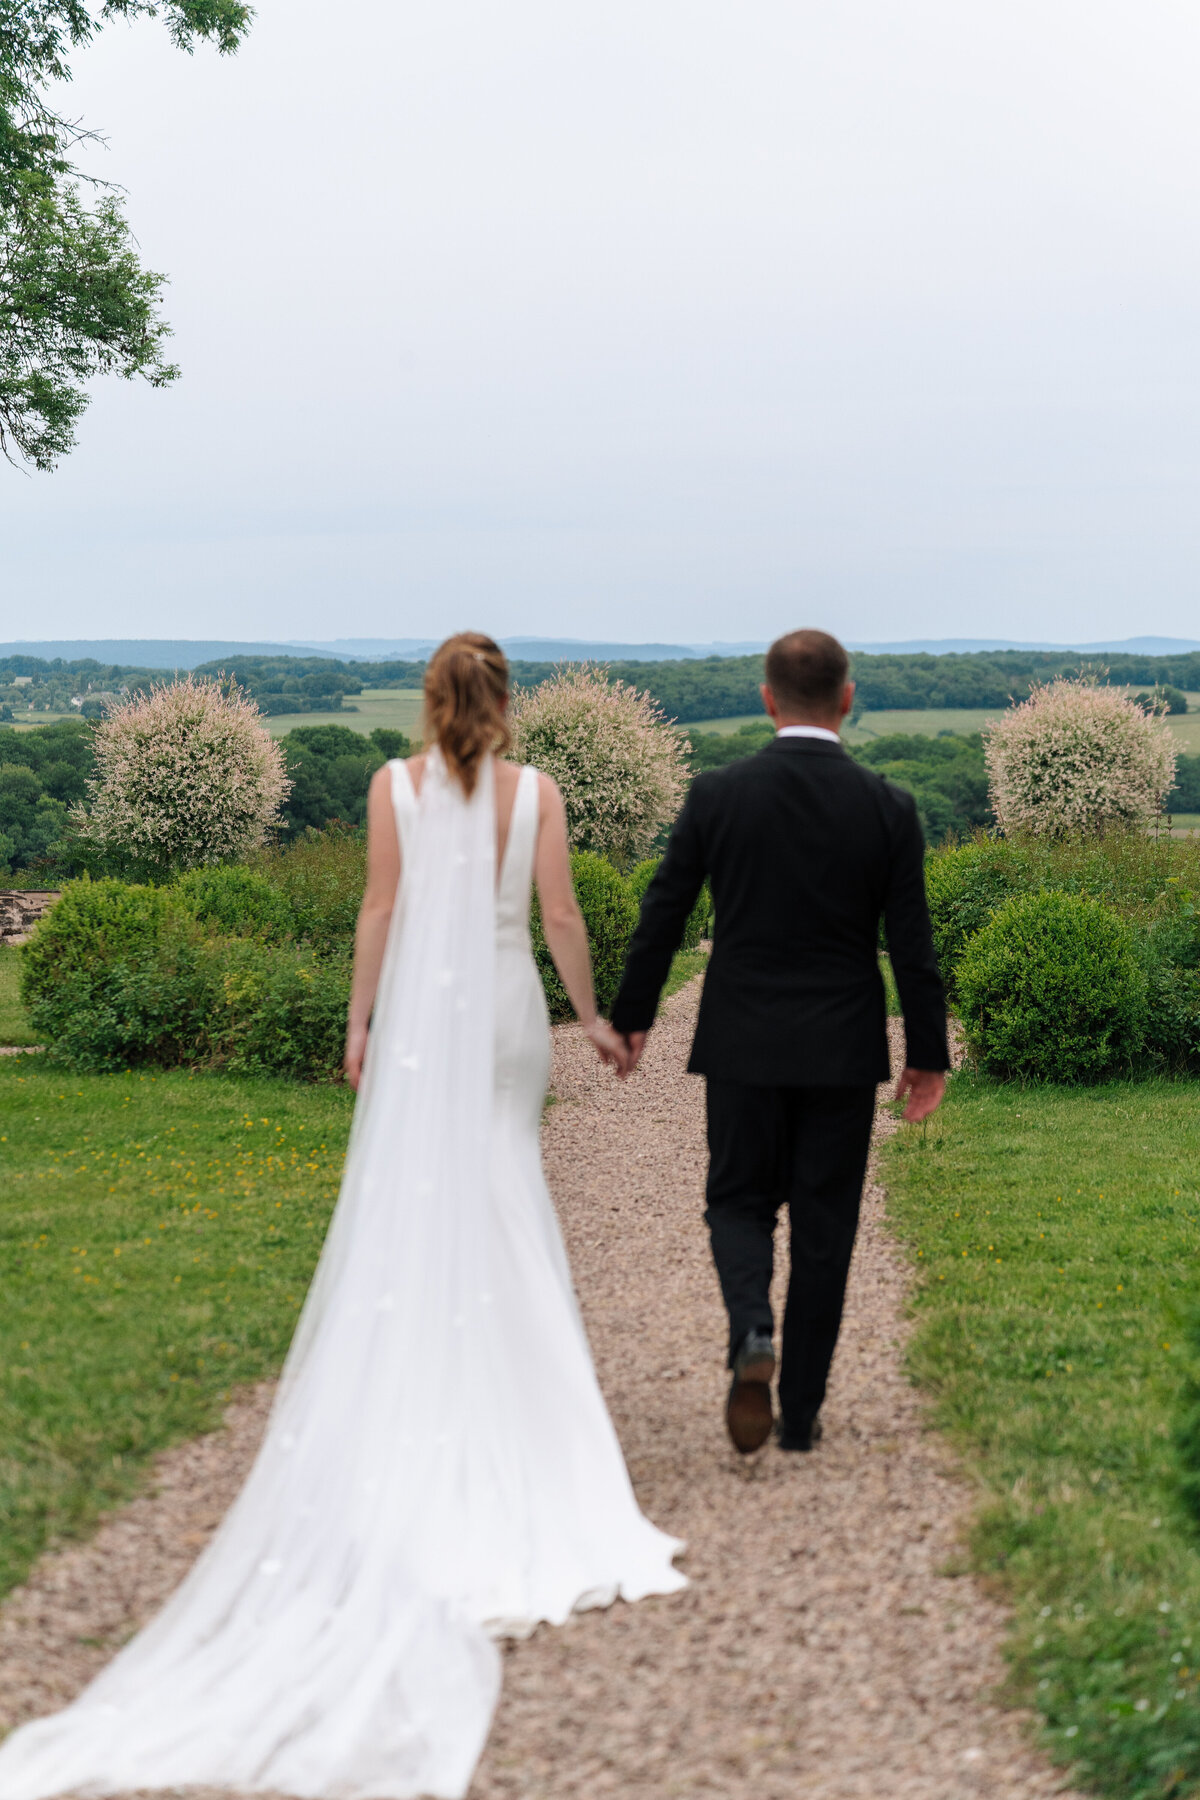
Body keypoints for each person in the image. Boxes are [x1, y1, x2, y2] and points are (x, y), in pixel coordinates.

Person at [0, 632, 685, 1800]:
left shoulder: (391, 787)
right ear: (507, 704)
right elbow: (561, 916)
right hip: (509, 1017)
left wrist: (359, 1026)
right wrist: (599, 1021)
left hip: (426, 1021)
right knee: (507, 1193)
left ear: (428, 702)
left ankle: (428, 1397)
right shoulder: (539, 793)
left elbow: (379, 910)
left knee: (428, 1200)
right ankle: (532, 1433)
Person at [610, 628, 948, 1456]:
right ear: (846, 699)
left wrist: (632, 1017)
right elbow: (912, 942)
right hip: (842, 1046)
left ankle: (751, 1330)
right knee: (826, 1225)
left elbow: (664, 913)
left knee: (737, 1200)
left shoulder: (718, 795)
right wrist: (928, 1054)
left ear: (767, 699)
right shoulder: (888, 806)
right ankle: (800, 1414)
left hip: (742, 1040)